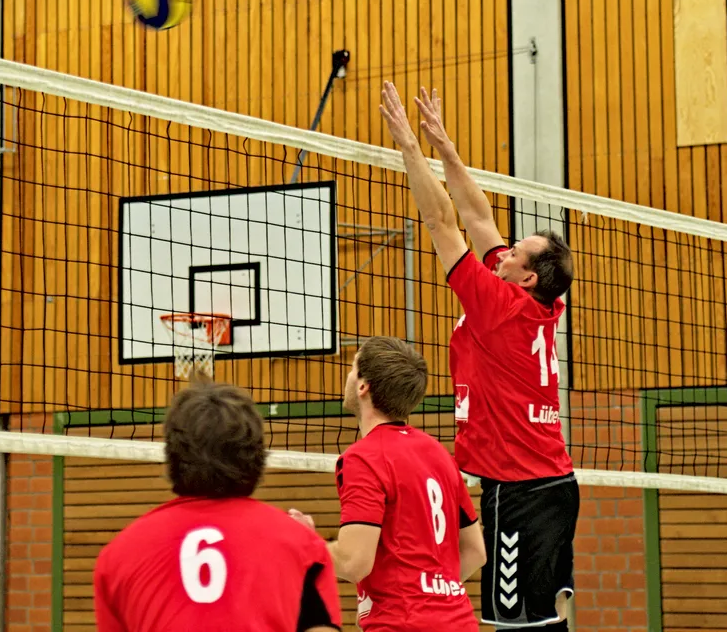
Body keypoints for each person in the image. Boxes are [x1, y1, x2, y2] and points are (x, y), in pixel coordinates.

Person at [377, 83, 579, 630]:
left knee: (518, 627)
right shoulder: (526, 298)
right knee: (541, 621)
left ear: (528, 276)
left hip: (520, 491)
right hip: (549, 484)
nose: (504, 248)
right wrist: (444, 144)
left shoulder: (499, 306)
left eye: (516, 251)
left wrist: (408, 147)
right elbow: (477, 214)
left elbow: (444, 222)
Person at [93, 380, 342, 632]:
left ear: (172, 455)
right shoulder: (302, 545)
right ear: (256, 455)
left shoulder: (116, 557)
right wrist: (298, 551)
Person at [288, 336, 486, 632]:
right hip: (459, 622)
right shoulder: (439, 454)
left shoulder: (363, 458)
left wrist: (305, 544)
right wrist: (430, 595)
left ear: (363, 386)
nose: (348, 375)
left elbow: (355, 562)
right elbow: (475, 552)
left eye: (353, 369)